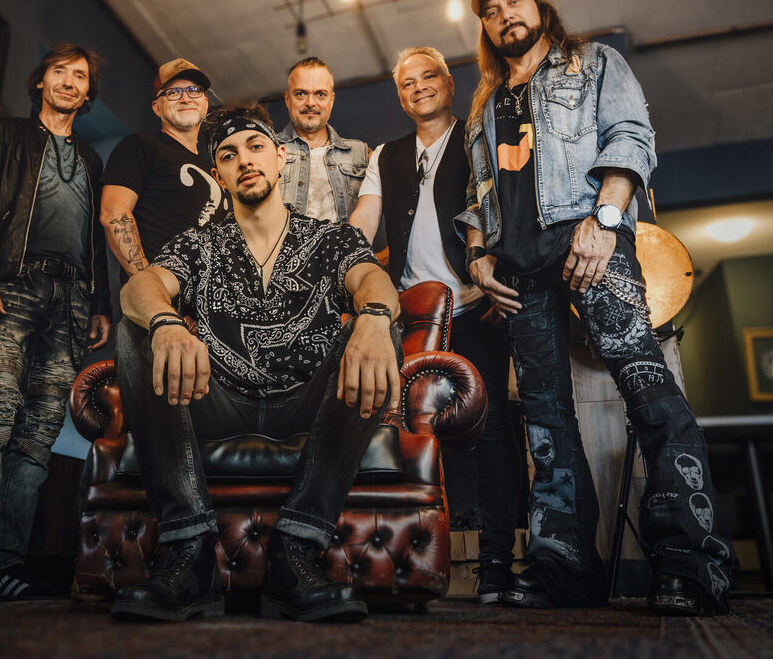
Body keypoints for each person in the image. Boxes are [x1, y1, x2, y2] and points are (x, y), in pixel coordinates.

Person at [457, 0, 737, 616]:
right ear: (486, 30)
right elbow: (479, 197)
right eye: (491, 12)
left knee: (648, 391)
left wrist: (606, 221)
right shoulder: (484, 106)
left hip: (590, 244)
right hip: (520, 277)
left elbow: (631, 138)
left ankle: (693, 565)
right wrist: (477, 258)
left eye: (514, 3)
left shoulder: (594, 63)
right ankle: (563, 568)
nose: (504, 17)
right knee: (548, 425)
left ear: (539, 9)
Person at [110, 105, 402, 623]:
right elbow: (141, 285)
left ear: (281, 156)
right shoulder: (201, 244)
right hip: (218, 401)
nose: (244, 160)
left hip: (309, 400)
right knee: (137, 324)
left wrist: (374, 319)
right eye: (228, 154)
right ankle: (189, 551)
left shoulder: (331, 236)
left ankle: (296, 550)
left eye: (255, 147)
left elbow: (372, 282)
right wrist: (168, 323)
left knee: (380, 326)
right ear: (218, 174)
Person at [348, 45, 525, 604]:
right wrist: (336, 257)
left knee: (492, 431)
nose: (419, 86)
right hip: (410, 314)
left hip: (475, 305)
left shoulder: (476, 134)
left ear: (450, 83)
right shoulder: (386, 154)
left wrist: (507, 277)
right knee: (400, 430)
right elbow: (364, 220)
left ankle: (497, 562)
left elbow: (506, 208)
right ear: (399, 95)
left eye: (429, 77)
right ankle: (394, 561)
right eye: (407, 82)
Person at [0, 44, 112, 602]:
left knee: (39, 435)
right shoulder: (6, 135)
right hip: (10, 285)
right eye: (60, 72)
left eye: (80, 77)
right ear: (40, 81)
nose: (69, 82)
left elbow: (96, 239)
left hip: (70, 301)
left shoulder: (90, 160)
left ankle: (6, 562)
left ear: (88, 94)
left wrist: (101, 305)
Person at [99, 59, 228, 279]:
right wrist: (150, 290)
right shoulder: (142, 146)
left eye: (193, 90)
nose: (185, 97)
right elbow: (114, 214)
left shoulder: (214, 170)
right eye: (173, 92)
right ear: (157, 107)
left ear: (205, 103)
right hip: (156, 303)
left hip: (206, 308)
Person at [278, 57, 370, 221]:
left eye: (320, 94)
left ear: (331, 100)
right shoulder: (268, 150)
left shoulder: (361, 153)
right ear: (287, 99)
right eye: (300, 94)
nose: (310, 103)